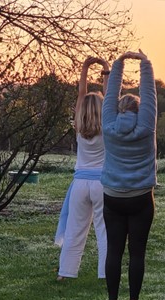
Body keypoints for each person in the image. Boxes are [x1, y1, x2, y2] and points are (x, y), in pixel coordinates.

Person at [101, 50, 157, 300]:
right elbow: (150, 98)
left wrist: (118, 63)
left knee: (114, 250)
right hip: (140, 198)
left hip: (113, 196)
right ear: (139, 110)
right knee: (137, 252)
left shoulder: (108, 126)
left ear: (117, 109)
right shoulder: (146, 127)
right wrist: (145, 64)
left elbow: (109, 96)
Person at [55, 56, 110, 281]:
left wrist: (85, 68)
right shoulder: (107, 124)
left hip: (79, 185)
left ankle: (65, 273)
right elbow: (111, 98)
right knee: (105, 232)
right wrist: (106, 69)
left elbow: (80, 94)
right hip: (103, 185)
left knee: (75, 230)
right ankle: (106, 274)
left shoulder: (79, 126)